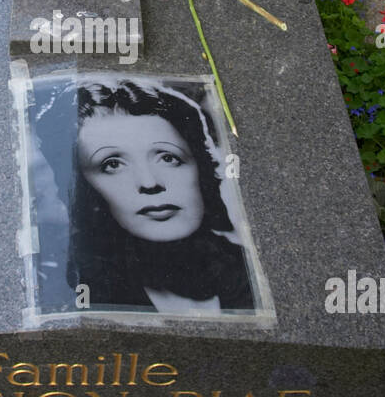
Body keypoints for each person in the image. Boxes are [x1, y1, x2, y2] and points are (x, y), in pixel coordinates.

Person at [65, 79, 256, 314]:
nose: (149, 182)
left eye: (167, 158)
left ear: (201, 166)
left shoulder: (254, 273)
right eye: (113, 164)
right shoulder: (81, 292)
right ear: (83, 186)